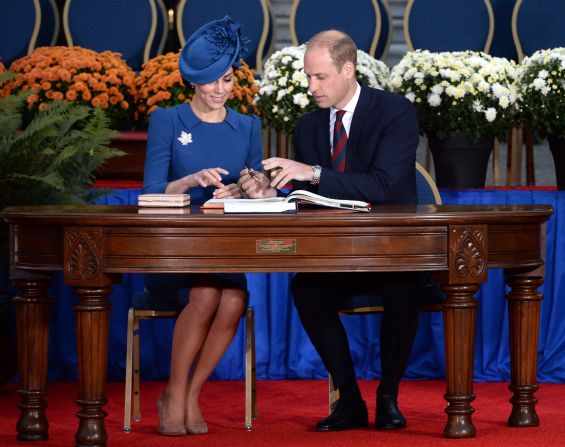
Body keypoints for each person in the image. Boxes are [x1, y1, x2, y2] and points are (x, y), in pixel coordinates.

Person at [239, 30, 424, 431]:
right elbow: (309, 198)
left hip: (393, 250)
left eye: (320, 77)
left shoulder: (395, 112)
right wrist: (268, 191)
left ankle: (388, 396)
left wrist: (314, 173)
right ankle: (350, 400)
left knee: (403, 289)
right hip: (336, 251)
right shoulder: (307, 127)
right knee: (306, 289)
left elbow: (385, 186)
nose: (311, 87)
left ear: (348, 69)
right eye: (308, 77)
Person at [142, 16, 262, 436]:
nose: (219, 90)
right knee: (208, 292)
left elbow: (259, 190)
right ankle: (173, 392)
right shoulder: (167, 121)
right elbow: (152, 192)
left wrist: (247, 190)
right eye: (210, 80)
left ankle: (191, 393)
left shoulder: (248, 126)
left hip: (223, 249)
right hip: (171, 252)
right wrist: (190, 182)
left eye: (227, 79)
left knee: (233, 298)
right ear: (193, 81)